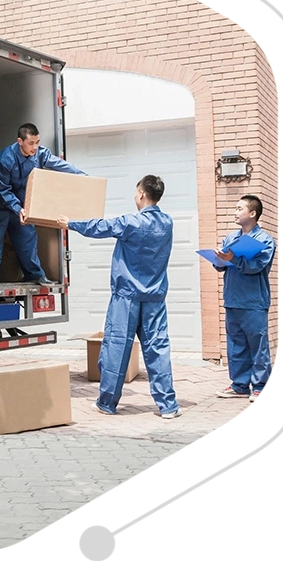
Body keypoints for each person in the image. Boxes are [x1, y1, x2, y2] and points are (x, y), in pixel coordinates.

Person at [57, 175, 182, 419]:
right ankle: (168, 406)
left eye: (136, 192)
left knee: (116, 348)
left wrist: (70, 224)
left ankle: (107, 403)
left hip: (127, 297)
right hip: (154, 297)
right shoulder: (167, 223)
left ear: (142, 194)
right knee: (157, 348)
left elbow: (100, 227)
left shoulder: (131, 223)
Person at [0, 122, 87, 286]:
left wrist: (82, 176)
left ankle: (34, 275)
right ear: (20, 141)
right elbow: (2, 189)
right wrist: (17, 208)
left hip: (20, 199)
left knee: (27, 235)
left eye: (37, 142)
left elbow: (59, 164)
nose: (35, 147)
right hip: (0, 200)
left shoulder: (40, 154)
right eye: (31, 143)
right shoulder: (6, 158)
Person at [212, 195, 275, 404]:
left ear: (253, 213)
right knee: (236, 345)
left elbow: (256, 267)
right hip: (232, 300)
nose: (235, 212)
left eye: (240, 208)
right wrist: (219, 259)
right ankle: (239, 385)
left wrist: (233, 259)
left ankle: (260, 386)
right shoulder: (230, 238)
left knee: (258, 345)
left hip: (254, 302)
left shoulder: (265, 240)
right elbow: (221, 266)